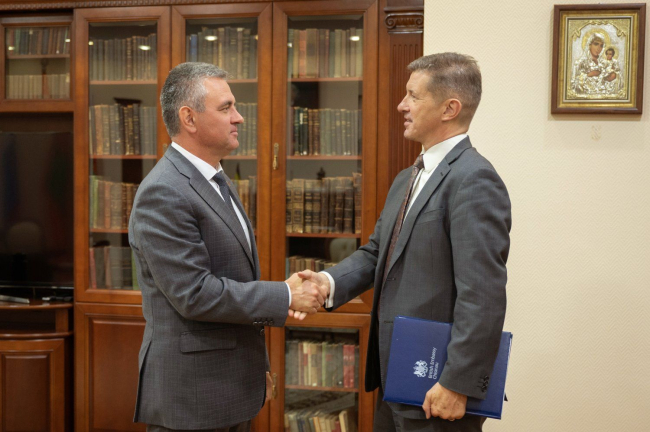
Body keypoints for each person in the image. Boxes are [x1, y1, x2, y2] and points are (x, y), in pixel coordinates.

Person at [297, 53, 511, 431]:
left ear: (449, 109)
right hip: (395, 377)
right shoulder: (407, 178)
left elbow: (483, 295)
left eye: (413, 96)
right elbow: (377, 252)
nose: (402, 105)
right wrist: (327, 282)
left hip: (439, 389)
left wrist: (456, 383)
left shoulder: (474, 179)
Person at [130, 62, 326, 432]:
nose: (238, 118)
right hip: (193, 398)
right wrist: (286, 295)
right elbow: (194, 294)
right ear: (189, 118)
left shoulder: (216, 179)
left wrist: (255, 368)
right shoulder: (164, 191)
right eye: (226, 108)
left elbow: (236, 277)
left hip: (229, 387)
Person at [571, 32, 621, 96]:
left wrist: (612, 76)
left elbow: (617, 80)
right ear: (589, 45)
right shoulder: (580, 63)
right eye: (596, 44)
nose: (598, 48)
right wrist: (589, 75)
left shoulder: (604, 63)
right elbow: (573, 86)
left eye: (601, 46)